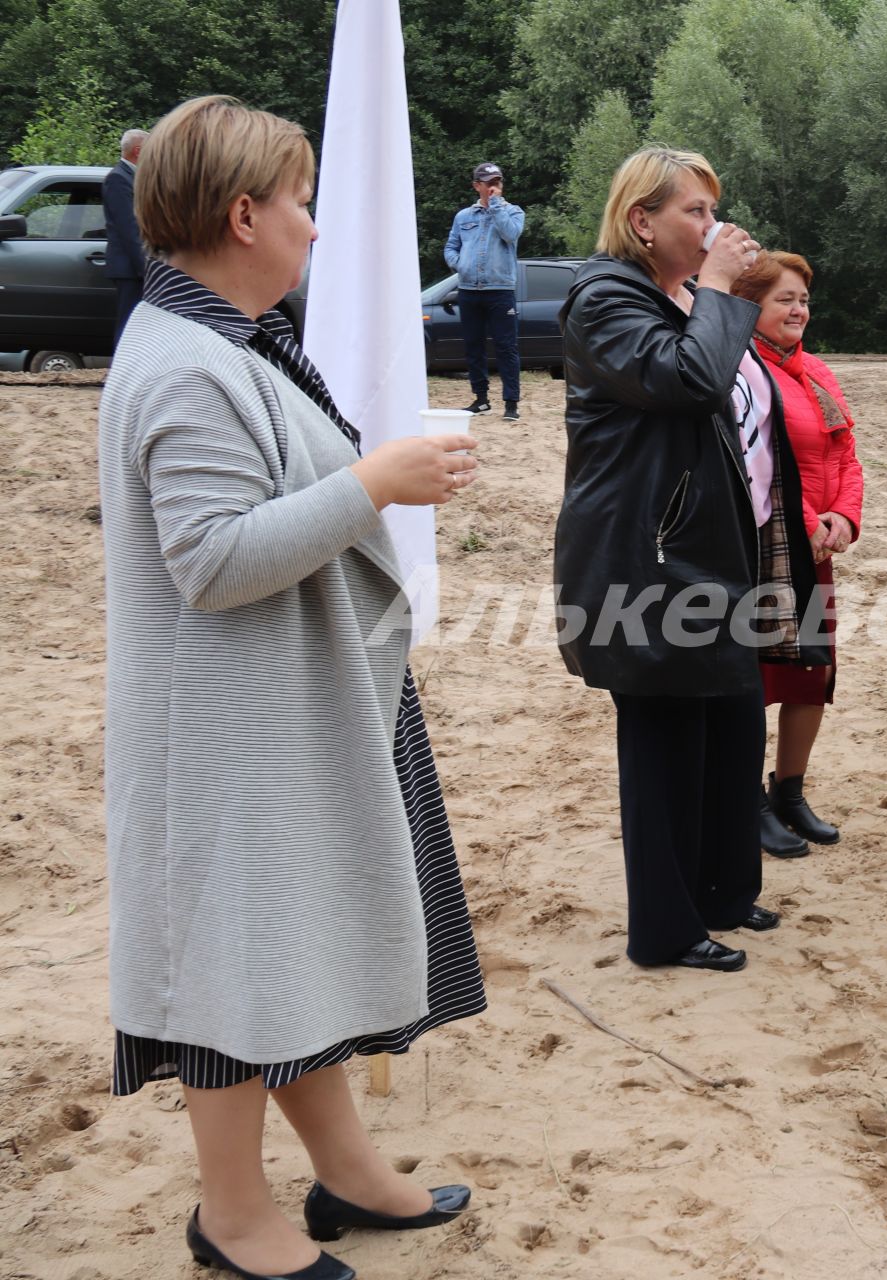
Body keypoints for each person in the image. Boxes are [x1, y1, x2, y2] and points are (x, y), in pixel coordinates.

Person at [100, 95, 486, 1280]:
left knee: (291, 947)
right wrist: (377, 479)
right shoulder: (183, 364)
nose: (315, 230)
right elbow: (212, 559)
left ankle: (346, 1169)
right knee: (237, 966)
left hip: (281, 710)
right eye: (302, 204)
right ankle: (229, 1212)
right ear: (242, 213)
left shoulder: (225, 339)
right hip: (228, 732)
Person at [553, 147, 827, 973]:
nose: (714, 227)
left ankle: (723, 893)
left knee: (731, 726)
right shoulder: (604, 297)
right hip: (645, 563)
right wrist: (714, 288)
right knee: (667, 743)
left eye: (714, 211)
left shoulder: (671, 299)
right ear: (643, 221)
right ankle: (666, 931)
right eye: (695, 213)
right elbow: (690, 381)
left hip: (709, 553)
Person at [729, 251, 865, 858]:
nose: (799, 310)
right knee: (759, 676)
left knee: (813, 672)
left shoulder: (815, 371)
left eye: (804, 300)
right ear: (751, 303)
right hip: (770, 545)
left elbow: (844, 453)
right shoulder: (743, 369)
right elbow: (763, 461)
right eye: (785, 299)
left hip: (819, 547)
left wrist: (844, 517)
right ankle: (746, 802)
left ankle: (789, 792)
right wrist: (809, 520)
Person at [444, 161, 525, 420]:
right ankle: (480, 399)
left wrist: (497, 206)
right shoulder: (463, 217)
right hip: (469, 289)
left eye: (497, 182)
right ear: (476, 186)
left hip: (500, 289)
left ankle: (511, 403)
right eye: (488, 183)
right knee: (473, 346)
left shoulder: (513, 212)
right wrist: (461, 266)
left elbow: (510, 235)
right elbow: (451, 246)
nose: (494, 187)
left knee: (506, 347)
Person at [103, 127, 147, 346]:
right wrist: (145, 267)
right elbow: (129, 228)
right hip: (129, 268)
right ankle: (122, 373)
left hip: (133, 266)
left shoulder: (133, 177)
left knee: (139, 324)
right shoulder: (118, 179)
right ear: (138, 151)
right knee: (129, 322)